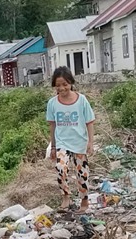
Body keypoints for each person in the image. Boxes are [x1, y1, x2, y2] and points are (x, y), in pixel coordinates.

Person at [46, 66, 96, 212]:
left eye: (65, 84)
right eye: (58, 85)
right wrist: (53, 147)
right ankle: (66, 196)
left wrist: (90, 142)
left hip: (79, 143)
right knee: (60, 168)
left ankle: (84, 201)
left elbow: (89, 122)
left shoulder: (82, 100)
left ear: (71, 83)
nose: (62, 88)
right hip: (62, 142)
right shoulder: (52, 103)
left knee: (82, 173)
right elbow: (52, 126)